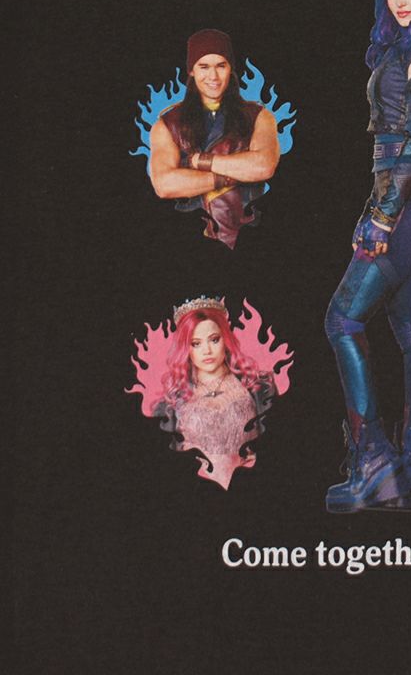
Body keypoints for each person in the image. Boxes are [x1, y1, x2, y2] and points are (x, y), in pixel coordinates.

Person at [323, 0, 411, 513]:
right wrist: (378, 206)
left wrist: (381, 216)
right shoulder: (410, 46)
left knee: (342, 320)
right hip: (409, 197)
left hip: (406, 200)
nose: (401, 1)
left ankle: (374, 462)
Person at [148, 28, 281, 248]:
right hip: (188, 237)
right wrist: (235, 174)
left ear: (230, 69)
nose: (213, 76)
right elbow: (164, 184)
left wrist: (199, 162)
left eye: (221, 66)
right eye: (204, 67)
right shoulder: (167, 124)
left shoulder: (259, 116)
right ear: (191, 71)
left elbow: (263, 166)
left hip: (252, 233)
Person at [153, 297, 277, 490]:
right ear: (186, 348)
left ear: (225, 340)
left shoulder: (259, 387)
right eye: (196, 343)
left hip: (254, 486)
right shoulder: (170, 402)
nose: (207, 351)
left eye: (214, 340)